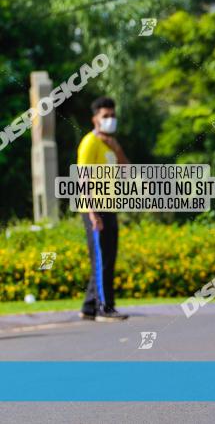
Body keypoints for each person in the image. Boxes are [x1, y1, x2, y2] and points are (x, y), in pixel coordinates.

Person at [77, 96, 129, 322]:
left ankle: (89, 307)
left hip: (110, 205)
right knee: (101, 258)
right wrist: (92, 213)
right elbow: (83, 179)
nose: (110, 120)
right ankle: (104, 308)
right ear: (95, 119)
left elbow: (126, 170)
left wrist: (117, 149)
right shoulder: (89, 142)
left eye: (112, 116)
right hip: (95, 207)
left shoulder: (110, 144)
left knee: (106, 258)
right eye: (105, 116)